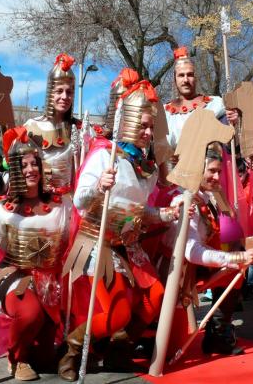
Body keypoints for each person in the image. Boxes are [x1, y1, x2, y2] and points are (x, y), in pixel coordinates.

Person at [59, 82, 173, 380]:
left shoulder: (146, 168)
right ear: (130, 123)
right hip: (98, 240)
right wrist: (99, 186)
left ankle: (118, 351)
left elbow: (139, 211)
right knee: (117, 313)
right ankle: (71, 349)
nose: (149, 133)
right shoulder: (104, 155)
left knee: (156, 297)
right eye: (144, 126)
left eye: (151, 127)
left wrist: (166, 214)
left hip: (128, 243)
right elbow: (81, 199)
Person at [0, 127, 74, 381]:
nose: (31, 169)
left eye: (35, 164)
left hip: (51, 281)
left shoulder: (60, 205)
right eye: (23, 165)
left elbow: (72, 234)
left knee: (45, 359)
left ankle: (32, 350)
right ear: (15, 171)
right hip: (15, 275)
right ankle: (15, 358)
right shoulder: (0, 208)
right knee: (30, 313)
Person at [171, 144, 253, 355]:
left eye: (219, 171)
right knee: (166, 348)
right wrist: (236, 257)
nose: (217, 177)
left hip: (194, 268)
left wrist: (239, 251)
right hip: (177, 274)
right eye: (212, 171)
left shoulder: (208, 196)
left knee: (235, 273)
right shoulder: (185, 201)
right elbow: (192, 252)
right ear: (196, 171)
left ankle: (218, 334)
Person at [24, 53, 77, 195]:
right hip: (40, 201)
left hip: (69, 202)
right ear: (50, 93)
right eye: (59, 91)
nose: (65, 97)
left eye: (69, 92)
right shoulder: (31, 126)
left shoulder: (79, 129)